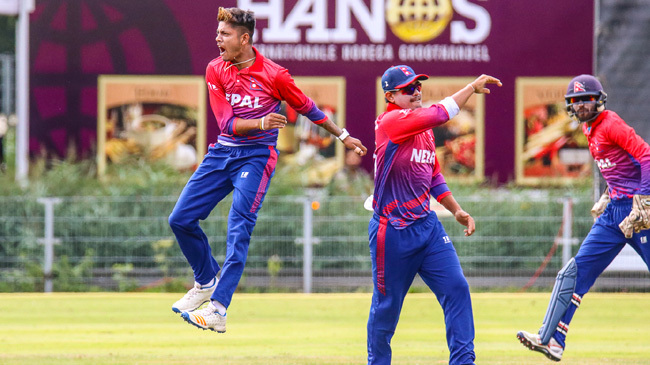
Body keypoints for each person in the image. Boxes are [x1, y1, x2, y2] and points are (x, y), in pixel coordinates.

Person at [168, 6, 367, 333]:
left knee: (238, 225)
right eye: (218, 32)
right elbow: (226, 123)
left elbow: (309, 108)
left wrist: (343, 136)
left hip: (257, 157)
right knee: (180, 219)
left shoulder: (275, 75)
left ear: (244, 39)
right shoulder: (215, 69)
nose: (217, 39)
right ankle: (205, 280)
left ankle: (218, 308)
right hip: (223, 153)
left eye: (225, 34)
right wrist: (261, 121)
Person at [367, 65, 501, 365]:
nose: (416, 91)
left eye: (418, 86)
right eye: (408, 88)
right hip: (393, 231)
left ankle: (464, 362)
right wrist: (471, 87)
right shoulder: (390, 121)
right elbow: (441, 114)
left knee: (457, 289)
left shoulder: (423, 131)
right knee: (386, 309)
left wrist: (456, 210)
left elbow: (434, 177)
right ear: (390, 96)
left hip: (426, 227)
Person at [517, 74, 650, 361]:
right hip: (614, 212)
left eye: (585, 100)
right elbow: (619, 166)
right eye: (575, 102)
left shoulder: (611, 123)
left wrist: (644, 198)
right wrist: (608, 191)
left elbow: (645, 155)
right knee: (575, 273)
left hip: (639, 211)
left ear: (598, 100)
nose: (580, 106)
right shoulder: (589, 129)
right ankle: (552, 339)